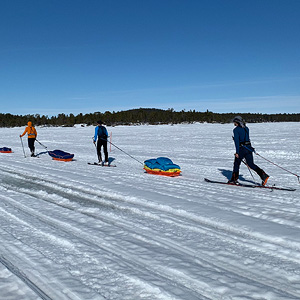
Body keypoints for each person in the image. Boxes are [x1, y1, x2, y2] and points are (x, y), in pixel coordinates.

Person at [229, 116, 269, 185]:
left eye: (234, 122)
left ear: (237, 122)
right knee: (251, 164)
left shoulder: (236, 130)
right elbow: (246, 139)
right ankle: (263, 175)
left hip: (242, 149)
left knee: (236, 163)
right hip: (249, 148)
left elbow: (237, 142)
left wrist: (237, 152)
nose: (233, 123)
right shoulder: (246, 128)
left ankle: (234, 179)